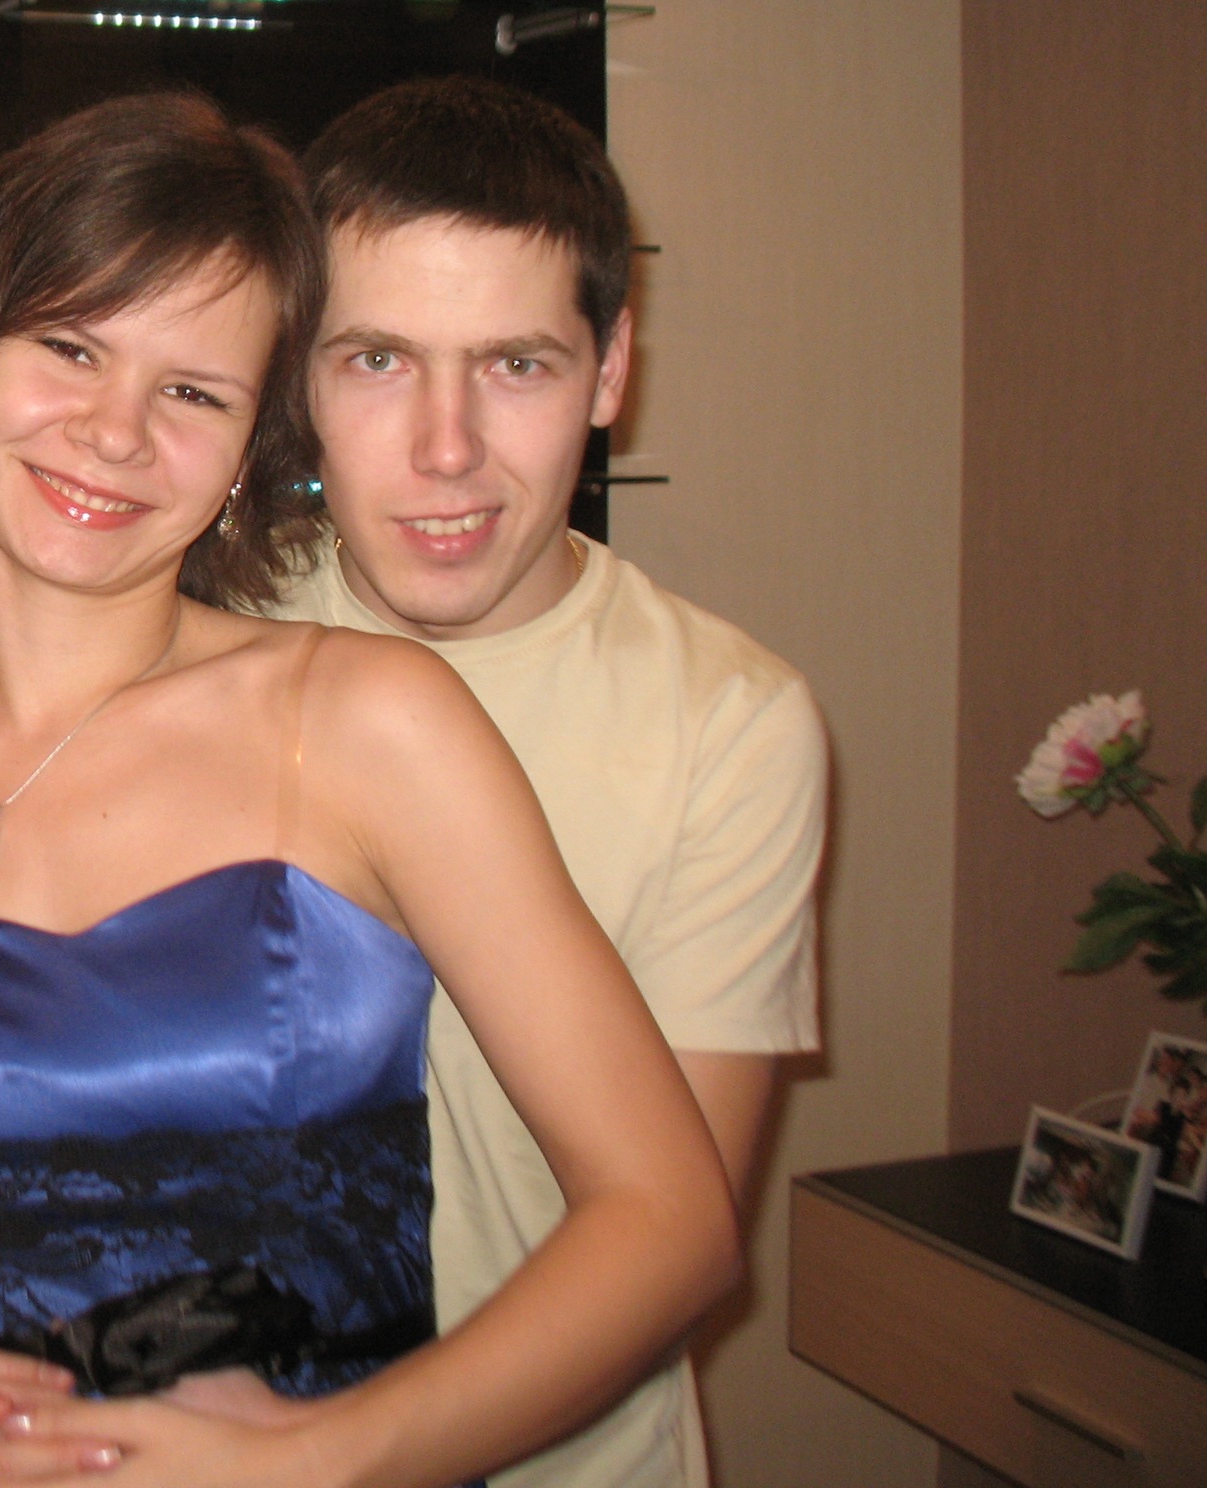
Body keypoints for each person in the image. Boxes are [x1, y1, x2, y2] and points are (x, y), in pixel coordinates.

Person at [0, 91, 738, 1488]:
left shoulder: (367, 726)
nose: (115, 432)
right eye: (70, 346)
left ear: (253, 448)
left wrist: (323, 1461)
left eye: (193, 392)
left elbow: (671, 1217)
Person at [275, 75, 826, 1488]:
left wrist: (317, 1464)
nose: (446, 447)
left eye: (515, 366)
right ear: (297, 372)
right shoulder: (200, 637)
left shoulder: (730, 726)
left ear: (611, 368)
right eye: (377, 360)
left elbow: (663, 1250)